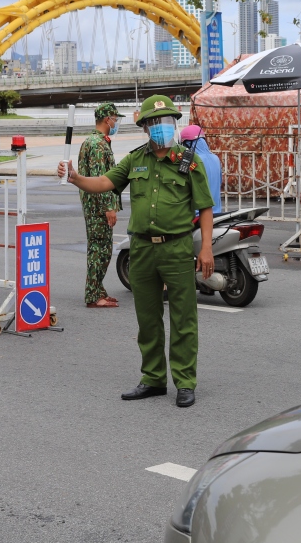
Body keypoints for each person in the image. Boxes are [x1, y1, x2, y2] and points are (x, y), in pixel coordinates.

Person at [58, 94, 215, 408]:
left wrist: (207, 248)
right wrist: (75, 177)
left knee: (184, 318)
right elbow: (103, 183)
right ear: (145, 128)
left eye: (167, 121)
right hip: (142, 249)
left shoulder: (189, 161)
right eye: (155, 122)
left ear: (174, 123)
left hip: (177, 247)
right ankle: (154, 379)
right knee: (148, 318)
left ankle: (184, 381)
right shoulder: (135, 159)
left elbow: (205, 206)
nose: (162, 127)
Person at [79, 103, 124, 308]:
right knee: (100, 250)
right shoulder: (97, 144)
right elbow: (101, 178)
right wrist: (108, 207)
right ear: (108, 120)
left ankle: (98, 289)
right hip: (98, 206)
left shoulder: (95, 141)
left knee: (100, 248)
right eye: (115, 118)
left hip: (94, 205)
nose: (116, 122)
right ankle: (93, 295)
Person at [179, 125, 222, 215]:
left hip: (198, 216)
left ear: (188, 144)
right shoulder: (216, 158)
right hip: (217, 213)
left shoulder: (192, 161)